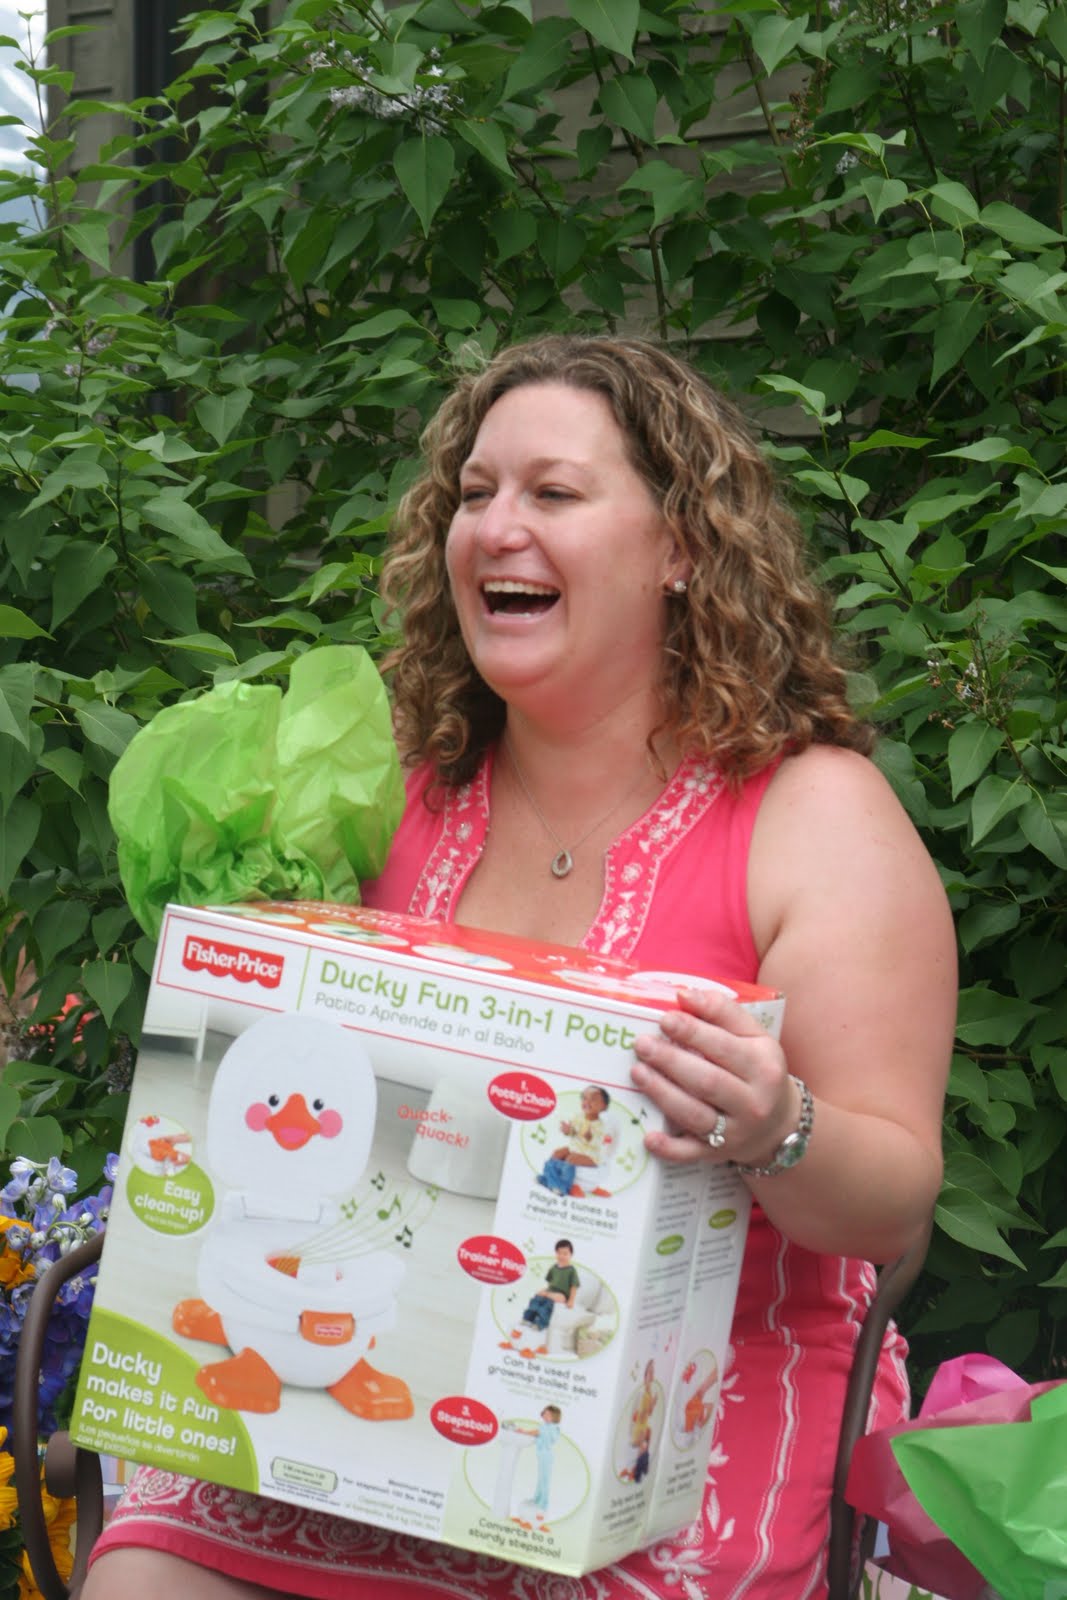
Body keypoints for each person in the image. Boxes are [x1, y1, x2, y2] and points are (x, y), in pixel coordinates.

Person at [84, 334, 957, 1600]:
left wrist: (774, 1124)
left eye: (552, 492)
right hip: (356, 1366)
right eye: (474, 493)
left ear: (679, 548)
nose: (497, 527)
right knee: (144, 1580)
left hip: (678, 1406)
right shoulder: (377, 785)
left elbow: (889, 1208)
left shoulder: (812, 816)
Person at [504, 1238, 580, 1347]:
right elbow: (550, 1283)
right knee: (537, 1298)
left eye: (565, 1254)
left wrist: (571, 1300)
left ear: (570, 1255)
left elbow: (574, 1286)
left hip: (562, 1294)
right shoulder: (554, 1268)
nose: (562, 1256)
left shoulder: (571, 1270)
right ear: (556, 1253)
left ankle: (541, 1323)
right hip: (551, 1290)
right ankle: (528, 1318)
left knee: (548, 1304)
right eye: (559, 1253)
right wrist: (544, 1291)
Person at [536, 1085, 610, 1195]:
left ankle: (562, 1187)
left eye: (593, 1099)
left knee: (571, 1159)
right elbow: (572, 1132)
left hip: (591, 1156)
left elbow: (594, 1141)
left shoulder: (600, 1125)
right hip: (574, 1149)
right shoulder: (578, 1116)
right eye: (584, 1098)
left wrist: (588, 1136)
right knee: (557, 1153)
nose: (587, 1102)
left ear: (603, 1106)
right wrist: (567, 1130)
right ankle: (550, 1180)